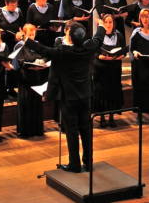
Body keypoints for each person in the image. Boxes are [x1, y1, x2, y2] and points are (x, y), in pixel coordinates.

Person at [25, 19, 106, 173]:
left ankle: (74, 164)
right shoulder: (89, 48)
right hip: (85, 95)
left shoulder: (63, 52)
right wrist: (101, 26)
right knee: (86, 130)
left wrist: (25, 39)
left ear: (71, 37)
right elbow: (98, 38)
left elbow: (43, 50)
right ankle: (88, 163)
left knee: (72, 131)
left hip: (69, 98)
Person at [13, 23, 49, 138]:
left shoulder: (37, 44)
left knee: (36, 103)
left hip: (36, 77)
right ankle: (25, 131)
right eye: (30, 34)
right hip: (25, 78)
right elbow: (19, 61)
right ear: (24, 34)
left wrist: (41, 62)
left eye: (33, 34)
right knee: (26, 103)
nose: (32, 37)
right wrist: (31, 65)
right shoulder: (20, 45)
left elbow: (45, 55)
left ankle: (36, 129)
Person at [93, 14, 125, 128]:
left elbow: (123, 50)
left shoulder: (119, 35)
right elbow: (94, 52)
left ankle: (111, 117)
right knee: (101, 92)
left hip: (114, 69)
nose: (108, 24)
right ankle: (102, 117)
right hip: (101, 69)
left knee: (113, 92)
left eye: (110, 22)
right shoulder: (98, 36)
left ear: (113, 23)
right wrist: (100, 57)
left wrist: (120, 56)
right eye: (106, 22)